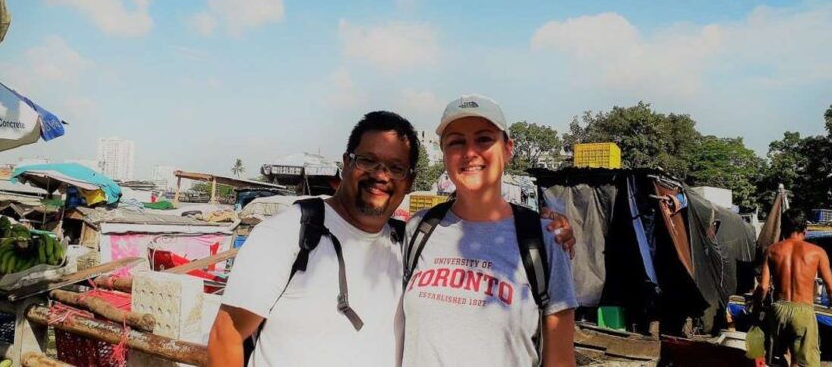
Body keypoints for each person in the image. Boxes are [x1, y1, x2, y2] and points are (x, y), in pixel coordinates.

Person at [207, 110, 575, 367]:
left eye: (395, 167)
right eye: (368, 161)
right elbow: (227, 337)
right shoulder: (287, 234)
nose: (381, 175)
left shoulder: (408, 238)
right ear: (346, 162)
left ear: (410, 180)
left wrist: (547, 226)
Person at [402, 94, 577, 367]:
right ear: (445, 155)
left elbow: (561, 361)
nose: (470, 152)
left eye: (484, 139)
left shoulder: (544, 239)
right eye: (456, 142)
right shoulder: (419, 230)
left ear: (508, 149)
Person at [758, 210, 832, 366]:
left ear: (783, 229)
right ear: (805, 230)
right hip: (803, 311)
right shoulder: (817, 252)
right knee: (806, 361)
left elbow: (763, 287)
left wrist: (755, 315)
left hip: (778, 310)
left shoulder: (772, 250)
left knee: (781, 358)